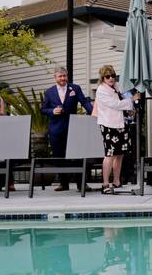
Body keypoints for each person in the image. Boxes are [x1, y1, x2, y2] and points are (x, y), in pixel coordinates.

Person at [41, 66, 94, 191]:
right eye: (60, 76)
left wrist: (93, 111)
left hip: (73, 127)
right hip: (55, 129)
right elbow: (43, 109)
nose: (63, 78)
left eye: (64, 76)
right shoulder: (49, 92)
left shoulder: (75, 88)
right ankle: (63, 183)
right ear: (55, 77)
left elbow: (84, 102)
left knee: (78, 155)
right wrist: (52, 111)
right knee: (59, 157)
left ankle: (81, 184)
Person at [94, 65, 139, 194]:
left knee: (120, 154)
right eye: (108, 76)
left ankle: (117, 181)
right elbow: (115, 105)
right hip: (109, 125)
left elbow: (122, 102)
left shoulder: (116, 88)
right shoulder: (101, 90)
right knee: (110, 154)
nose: (111, 78)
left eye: (113, 76)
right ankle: (105, 184)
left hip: (120, 124)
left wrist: (129, 108)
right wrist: (132, 100)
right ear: (103, 78)